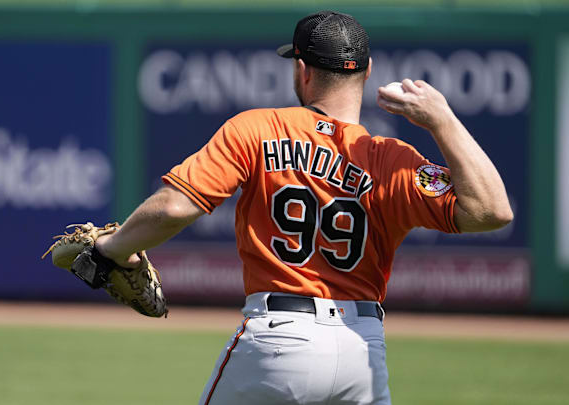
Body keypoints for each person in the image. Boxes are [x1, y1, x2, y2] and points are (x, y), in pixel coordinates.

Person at [95, 10, 512, 405]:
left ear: (302, 69)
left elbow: (173, 208)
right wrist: (443, 121)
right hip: (362, 348)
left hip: (279, 337)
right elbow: (493, 211)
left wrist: (112, 248)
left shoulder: (257, 129)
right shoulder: (393, 159)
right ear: (367, 72)